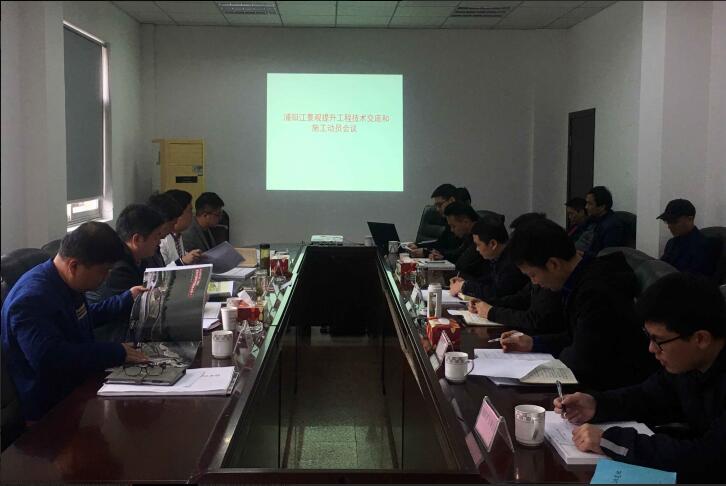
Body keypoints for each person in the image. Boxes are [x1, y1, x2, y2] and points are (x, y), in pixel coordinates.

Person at [554, 273, 726, 483]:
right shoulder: (688, 364)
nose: (651, 349)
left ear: (701, 339)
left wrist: (610, 441)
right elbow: (648, 396)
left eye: (659, 340)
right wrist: (596, 404)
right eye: (648, 337)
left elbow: (708, 458)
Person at [1, 222, 149, 423]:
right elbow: (51, 359)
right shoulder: (31, 299)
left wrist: (126, 299)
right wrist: (115, 352)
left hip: (78, 387)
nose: (106, 279)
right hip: (52, 410)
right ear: (73, 266)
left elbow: (81, 318)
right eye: (103, 271)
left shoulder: (63, 280)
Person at [498, 219, 657, 390]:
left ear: (553, 264)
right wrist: (534, 343)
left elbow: (583, 357)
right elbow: (578, 336)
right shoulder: (584, 276)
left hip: (616, 385)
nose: (534, 283)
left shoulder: (597, 291)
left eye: (533, 275)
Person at [468, 213, 565, 333]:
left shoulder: (548, 274)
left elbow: (537, 320)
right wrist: (488, 304)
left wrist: (492, 312)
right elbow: (522, 297)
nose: (533, 281)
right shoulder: (537, 268)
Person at [87, 204, 166, 341]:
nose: (159, 242)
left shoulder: (143, 258)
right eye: (156, 237)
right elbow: (132, 313)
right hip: (112, 334)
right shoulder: (117, 267)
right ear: (137, 239)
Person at [449, 215, 528, 301]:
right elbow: (489, 281)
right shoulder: (497, 256)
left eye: (478, 244)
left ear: (492, 244)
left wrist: (464, 286)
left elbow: (497, 293)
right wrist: (465, 283)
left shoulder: (512, 262)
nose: (477, 249)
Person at [658, 198, 715, 276]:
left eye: (674, 221)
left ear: (690, 219)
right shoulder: (671, 243)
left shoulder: (704, 246)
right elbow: (661, 268)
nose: (669, 226)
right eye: (667, 221)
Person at [436, 202, 488, 278]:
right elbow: (459, 253)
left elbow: (462, 265)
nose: (451, 230)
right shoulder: (469, 233)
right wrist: (442, 256)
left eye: (453, 226)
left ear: (466, 222)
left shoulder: (481, 236)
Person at [409, 184, 462, 258]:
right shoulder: (448, 221)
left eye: (439, 205)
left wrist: (427, 252)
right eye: (436, 206)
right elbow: (441, 243)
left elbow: (456, 252)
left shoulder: (462, 222)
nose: (437, 209)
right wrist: (418, 245)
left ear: (451, 200)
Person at [160, 189, 202, 266]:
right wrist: (182, 261)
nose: (192, 215)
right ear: (178, 213)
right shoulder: (161, 239)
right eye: (190, 211)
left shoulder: (177, 235)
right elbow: (160, 271)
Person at [583, 186, 626, 256]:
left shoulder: (613, 226)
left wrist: (583, 254)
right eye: (586, 203)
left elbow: (606, 255)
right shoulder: (591, 219)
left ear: (602, 207)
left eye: (590, 204)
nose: (586, 207)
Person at [145, 192, 184, 268]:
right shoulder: (146, 247)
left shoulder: (156, 245)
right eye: (172, 224)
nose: (173, 229)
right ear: (162, 221)